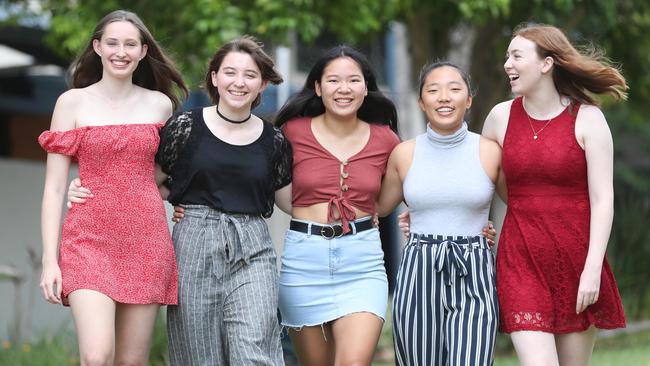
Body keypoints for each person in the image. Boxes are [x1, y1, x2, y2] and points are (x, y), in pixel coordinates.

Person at [68, 36, 291, 365]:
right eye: (230, 72)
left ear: (262, 84)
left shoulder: (274, 140)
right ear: (214, 78)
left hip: (252, 244)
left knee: (257, 351)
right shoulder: (185, 127)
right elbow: (144, 176)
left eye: (250, 75)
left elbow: (292, 199)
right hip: (194, 241)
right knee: (197, 353)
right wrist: (88, 185)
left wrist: (354, 209)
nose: (239, 82)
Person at [39, 10, 187, 366]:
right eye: (112, 43)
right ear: (98, 47)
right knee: (97, 355)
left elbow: (164, 175)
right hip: (88, 239)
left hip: (145, 240)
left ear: (142, 52)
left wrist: (180, 199)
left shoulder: (160, 104)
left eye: (130, 44)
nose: (121, 51)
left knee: (131, 362)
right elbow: (55, 189)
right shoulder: (71, 102)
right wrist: (48, 261)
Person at [482, 23, 626, 365]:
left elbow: (603, 200)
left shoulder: (588, 119)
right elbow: (482, 179)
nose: (508, 64)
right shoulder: (500, 117)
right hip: (520, 261)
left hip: (577, 262)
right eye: (507, 56)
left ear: (546, 64)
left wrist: (593, 268)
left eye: (517, 56)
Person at [274, 45, 400, 365]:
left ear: (366, 88)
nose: (343, 88)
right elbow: (259, 180)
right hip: (304, 260)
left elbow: (385, 204)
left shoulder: (386, 140)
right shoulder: (291, 132)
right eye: (333, 80)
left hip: (362, 262)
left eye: (353, 80)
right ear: (318, 87)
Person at [377, 61, 504, 366]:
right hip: (419, 265)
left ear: (469, 99)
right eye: (433, 90)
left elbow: (519, 207)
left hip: (474, 266)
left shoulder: (489, 150)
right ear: (421, 102)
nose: (444, 97)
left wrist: (496, 231)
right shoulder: (404, 153)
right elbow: (377, 208)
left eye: (454, 89)